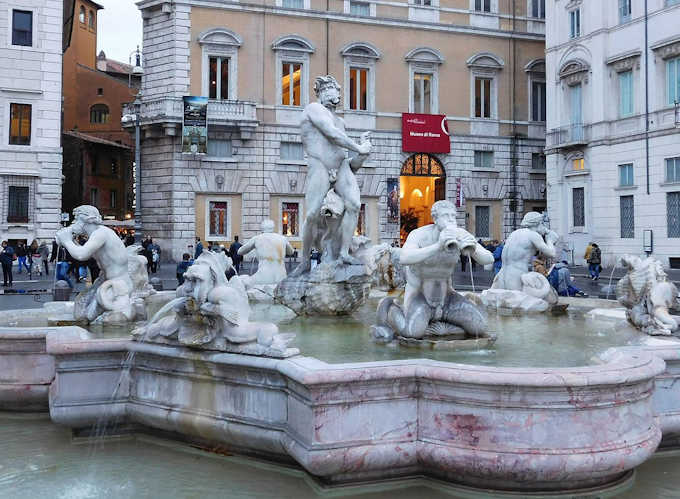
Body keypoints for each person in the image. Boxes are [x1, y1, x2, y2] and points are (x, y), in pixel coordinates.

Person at [374, 200, 494, 339]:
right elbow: (404, 258)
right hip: (420, 297)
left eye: (453, 216)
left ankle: (444, 323)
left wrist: (472, 248)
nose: (451, 220)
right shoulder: (419, 235)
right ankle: (391, 308)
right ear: (435, 219)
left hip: (447, 298)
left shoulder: (460, 234)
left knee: (479, 327)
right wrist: (438, 246)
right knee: (412, 333)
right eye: (446, 216)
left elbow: (489, 259)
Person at [291, 74, 372, 275]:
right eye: (326, 90)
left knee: (354, 204)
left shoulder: (341, 122)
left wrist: (363, 153)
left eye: (334, 90)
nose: (330, 94)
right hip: (319, 164)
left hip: (342, 165)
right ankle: (305, 261)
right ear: (319, 93)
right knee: (311, 215)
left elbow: (353, 164)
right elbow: (331, 133)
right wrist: (358, 147)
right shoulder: (313, 109)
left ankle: (344, 252)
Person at [491, 212, 559, 291]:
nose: (544, 227)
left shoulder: (514, 233)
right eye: (543, 224)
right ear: (538, 223)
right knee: (521, 301)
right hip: (517, 275)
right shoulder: (533, 235)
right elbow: (552, 254)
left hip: (502, 274)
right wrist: (550, 240)